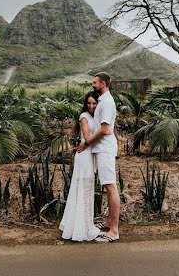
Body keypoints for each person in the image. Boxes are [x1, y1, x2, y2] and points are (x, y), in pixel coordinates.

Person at [78, 72, 120, 243]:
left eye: (94, 82)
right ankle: (109, 221)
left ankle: (114, 231)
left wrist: (87, 143)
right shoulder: (102, 100)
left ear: (103, 83)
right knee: (107, 186)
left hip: (105, 150)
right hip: (101, 149)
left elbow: (104, 129)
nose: (93, 85)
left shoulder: (107, 102)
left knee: (111, 187)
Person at [58, 91, 101, 241]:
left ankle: (84, 224)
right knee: (83, 189)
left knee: (87, 189)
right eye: (89, 103)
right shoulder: (84, 117)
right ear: (85, 103)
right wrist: (104, 136)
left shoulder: (96, 116)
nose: (91, 106)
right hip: (84, 157)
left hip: (90, 155)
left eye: (94, 103)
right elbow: (88, 138)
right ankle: (81, 227)